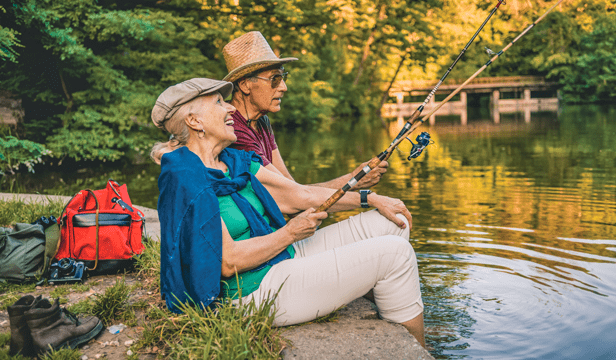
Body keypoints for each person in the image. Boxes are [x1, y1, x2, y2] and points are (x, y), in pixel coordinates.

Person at [150, 78, 425, 347]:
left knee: (393, 223)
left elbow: (299, 195)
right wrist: (290, 233)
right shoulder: (187, 179)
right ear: (194, 122)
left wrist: (370, 198)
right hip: (250, 292)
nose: (231, 108)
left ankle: (388, 309)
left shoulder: (233, 161)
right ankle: (415, 350)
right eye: (220, 102)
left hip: (280, 256)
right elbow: (228, 262)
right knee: (395, 254)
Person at [222, 31, 389, 190]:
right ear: (244, 85)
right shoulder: (233, 130)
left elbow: (290, 185)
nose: (284, 87)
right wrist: (354, 180)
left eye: (283, 77)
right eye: (275, 79)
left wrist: (354, 180)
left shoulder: (261, 121)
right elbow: (291, 195)